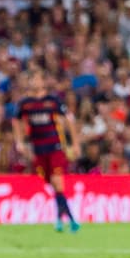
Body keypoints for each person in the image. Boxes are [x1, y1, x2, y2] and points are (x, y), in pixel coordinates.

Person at [12, 69, 81, 232]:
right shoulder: (25, 103)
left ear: (43, 81)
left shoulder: (53, 101)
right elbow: (15, 121)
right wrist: (19, 142)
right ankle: (66, 218)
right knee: (53, 185)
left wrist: (75, 144)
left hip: (55, 147)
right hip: (38, 150)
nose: (34, 82)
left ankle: (67, 220)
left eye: (37, 78)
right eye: (32, 79)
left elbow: (69, 120)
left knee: (58, 182)